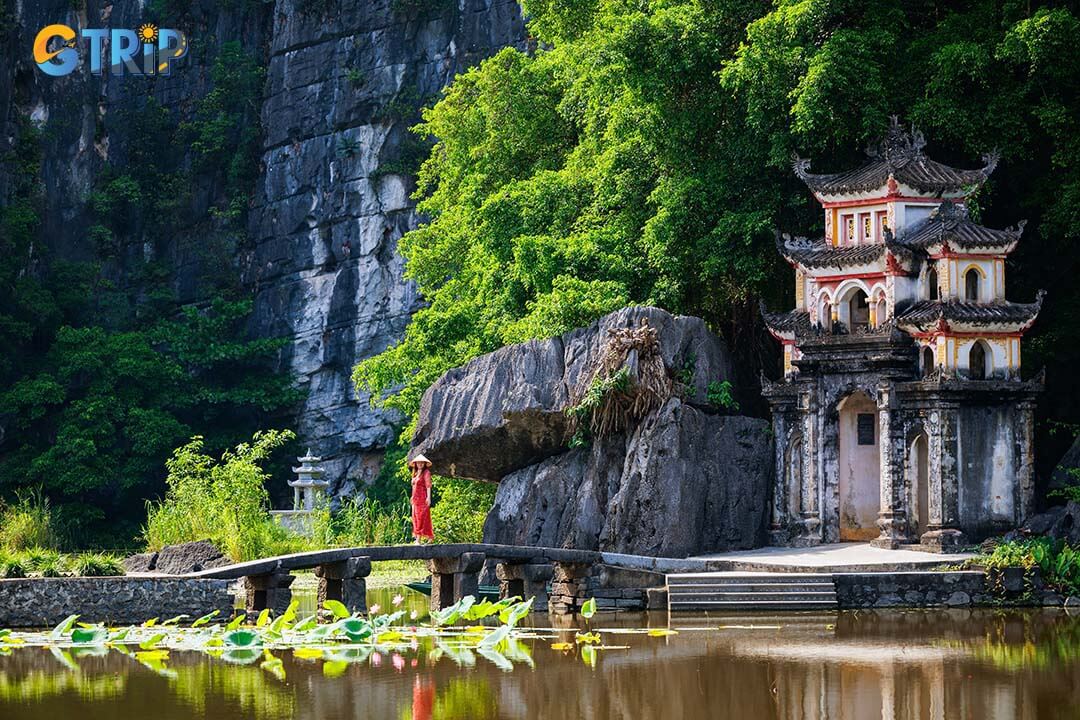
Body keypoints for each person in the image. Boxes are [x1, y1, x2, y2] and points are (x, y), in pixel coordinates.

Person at [408, 453, 435, 544]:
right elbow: (414, 486)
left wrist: (428, 497)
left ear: (424, 464)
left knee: (421, 517)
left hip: (423, 498)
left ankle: (418, 539)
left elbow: (428, 486)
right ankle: (430, 537)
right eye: (418, 463)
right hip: (415, 499)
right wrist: (412, 496)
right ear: (415, 464)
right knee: (415, 517)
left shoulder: (426, 473)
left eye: (421, 463)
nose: (420, 464)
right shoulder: (415, 473)